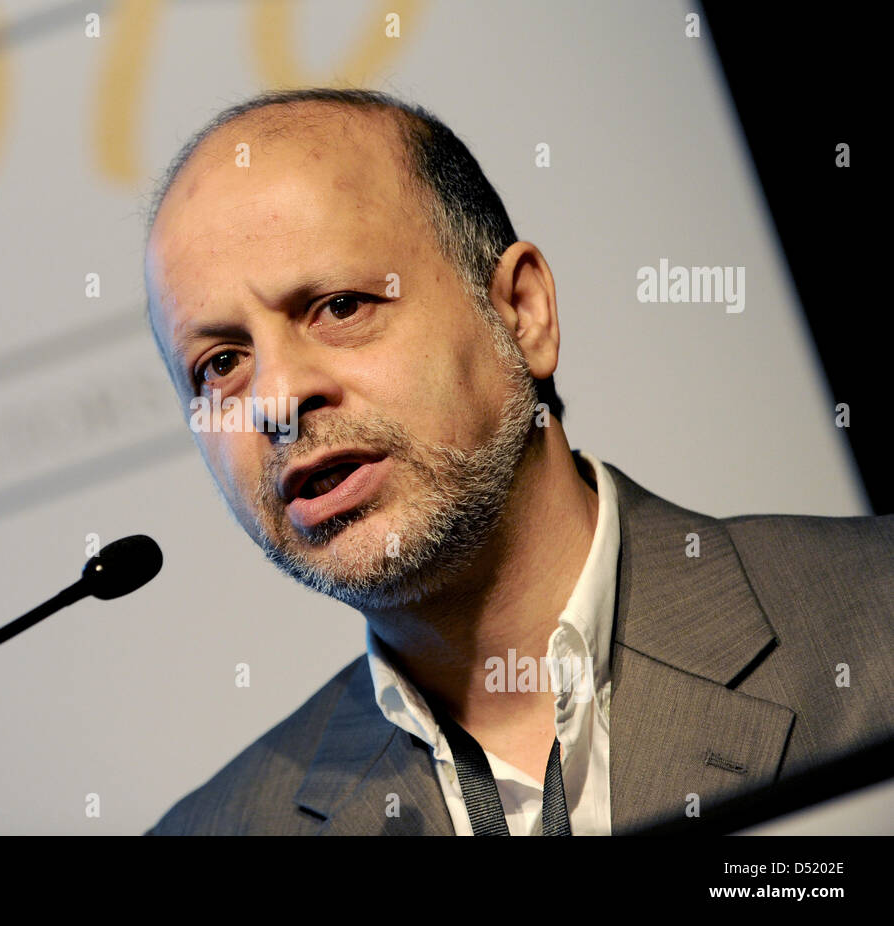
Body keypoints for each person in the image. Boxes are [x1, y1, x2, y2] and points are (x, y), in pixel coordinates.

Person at [139, 87, 894, 835]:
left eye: (340, 307)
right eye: (221, 363)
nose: (275, 399)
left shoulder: (874, 622)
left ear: (522, 315)